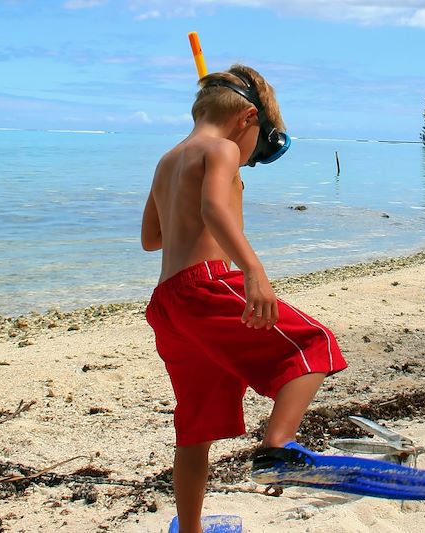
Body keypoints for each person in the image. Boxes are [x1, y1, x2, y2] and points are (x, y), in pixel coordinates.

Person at [141, 64, 347, 533]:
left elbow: (152, 238)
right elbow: (214, 210)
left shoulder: (168, 159)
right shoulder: (222, 149)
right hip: (206, 285)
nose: (250, 157)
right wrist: (253, 270)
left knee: (195, 426)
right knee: (314, 345)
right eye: (258, 143)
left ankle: (190, 529)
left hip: (169, 303)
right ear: (246, 118)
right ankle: (277, 448)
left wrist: (199, 208)